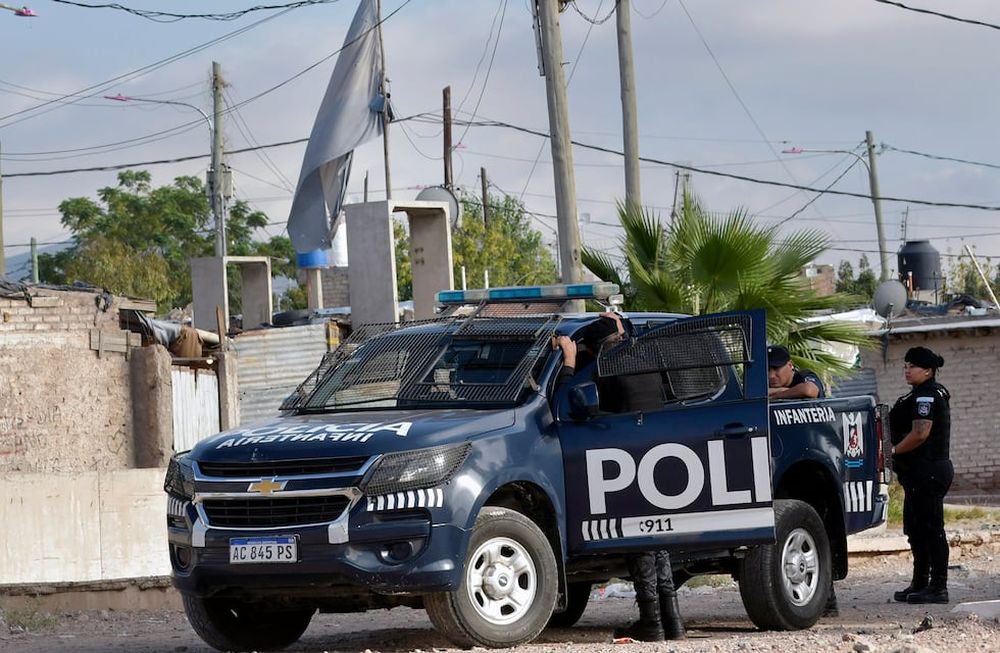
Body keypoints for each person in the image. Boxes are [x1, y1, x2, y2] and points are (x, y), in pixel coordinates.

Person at [553, 314, 685, 641]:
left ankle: (652, 623)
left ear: (597, 348)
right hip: (660, 455)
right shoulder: (647, 357)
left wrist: (569, 362)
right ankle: (672, 620)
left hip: (628, 457)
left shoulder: (606, 364)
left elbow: (567, 401)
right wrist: (619, 326)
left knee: (638, 538)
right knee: (659, 539)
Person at [767, 344, 838, 617]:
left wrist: (777, 394)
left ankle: (828, 598)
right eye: (768, 370)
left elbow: (810, 392)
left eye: (777, 368)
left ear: (790, 367)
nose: (772, 375)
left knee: (818, 535)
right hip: (785, 469)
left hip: (814, 470)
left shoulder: (805, 376)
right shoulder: (768, 383)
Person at [889, 346, 952, 604]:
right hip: (917, 474)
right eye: (905, 365)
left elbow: (920, 433)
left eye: (912, 366)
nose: (907, 369)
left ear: (928, 370)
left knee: (931, 530)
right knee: (915, 530)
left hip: (928, 471)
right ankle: (919, 583)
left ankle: (938, 587)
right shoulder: (918, 394)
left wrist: (892, 450)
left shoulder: (926, 396)